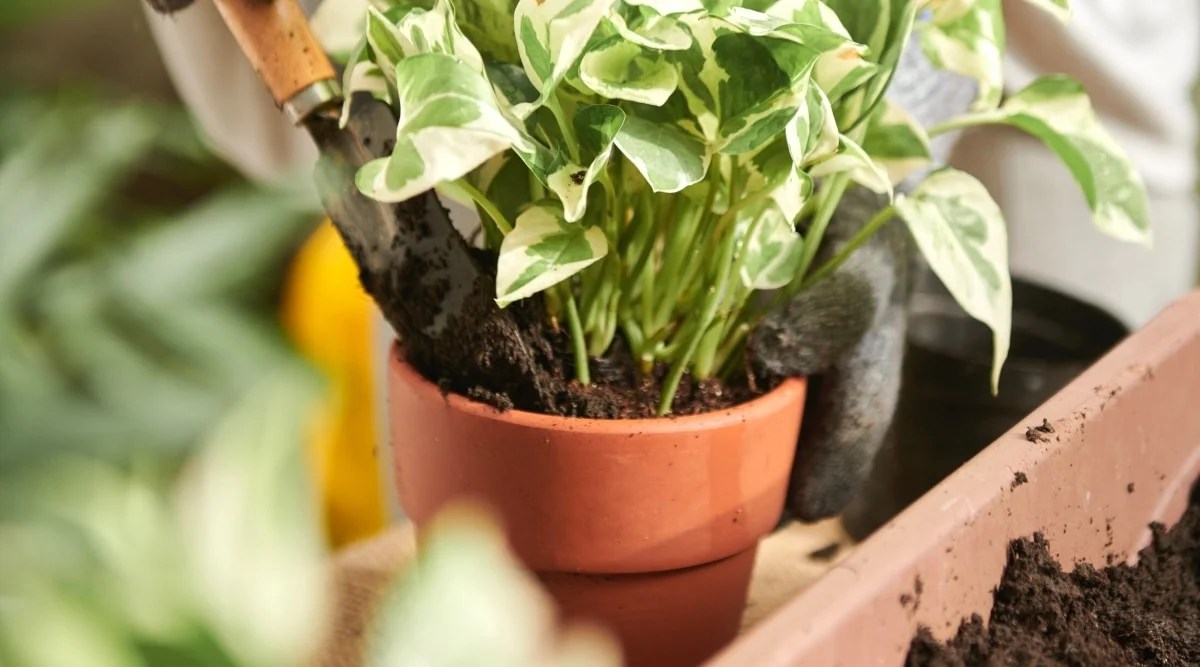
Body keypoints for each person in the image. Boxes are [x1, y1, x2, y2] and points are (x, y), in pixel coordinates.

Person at [142, 0, 1198, 546]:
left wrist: (858, 153)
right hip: (501, 124)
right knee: (462, 311)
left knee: (1055, 522)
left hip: (1021, 49)